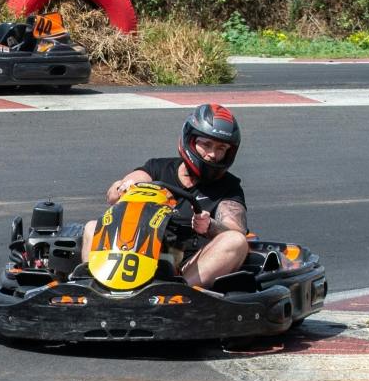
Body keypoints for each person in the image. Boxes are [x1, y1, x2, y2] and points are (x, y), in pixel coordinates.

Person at [81, 103, 251, 287]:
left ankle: (178, 291)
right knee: (92, 227)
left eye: (221, 149)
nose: (212, 155)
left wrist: (211, 225)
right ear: (190, 141)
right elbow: (117, 192)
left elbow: (236, 231)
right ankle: (96, 287)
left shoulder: (228, 186)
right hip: (137, 254)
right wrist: (124, 187)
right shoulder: (158, 168)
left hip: (187, 266)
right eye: (207, 145)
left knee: (236, 241)